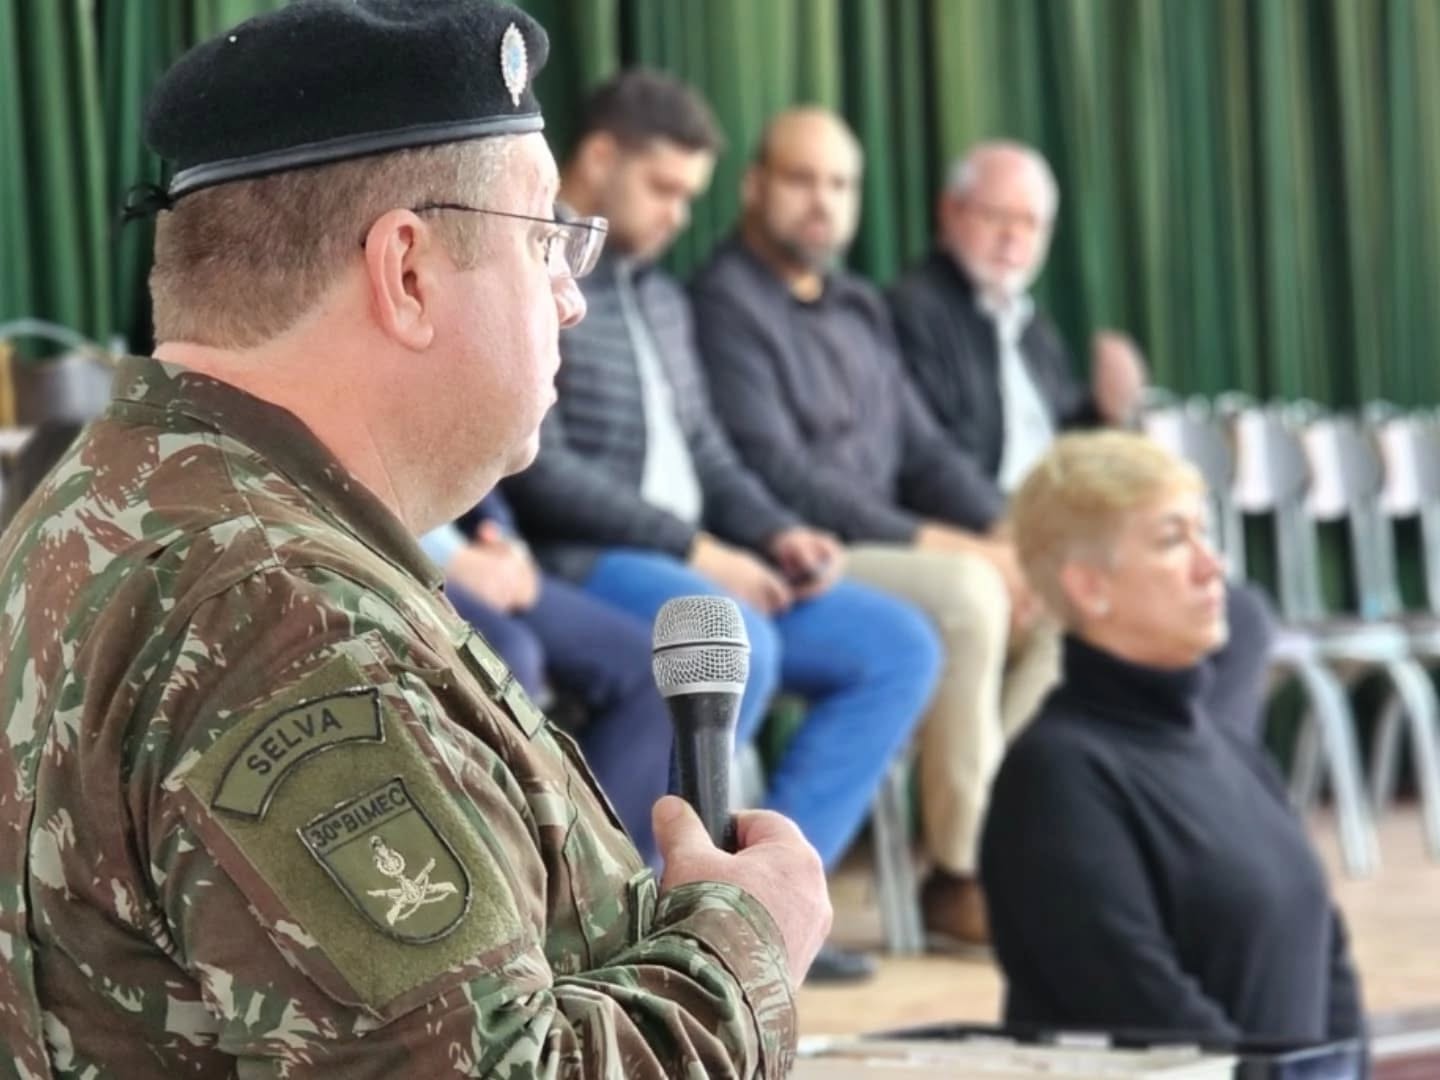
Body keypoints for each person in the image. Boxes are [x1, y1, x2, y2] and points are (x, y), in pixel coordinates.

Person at [0, 4, 827, 1076]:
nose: (571, 300)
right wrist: (745, 950)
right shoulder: (287, 622)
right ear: (407, 273)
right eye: (545, 241)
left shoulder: (111, 495)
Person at [504, 71, 941, 984]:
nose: (677, 215)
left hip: (705, 561)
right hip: (594, 559)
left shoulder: (666, 301)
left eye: (689, 196)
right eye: (663, 188)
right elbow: (541, 469)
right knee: (740, 641)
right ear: (599, 157)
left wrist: (777, 534)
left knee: (897, 645)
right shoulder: (534, 276)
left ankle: (770, 908)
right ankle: (647, 920)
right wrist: (701, 551)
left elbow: (710, 454)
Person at [690, 107, 1058, 950]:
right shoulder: (723, 301)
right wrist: (956, 547)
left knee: (1063, 604)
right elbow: (780, 472)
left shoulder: (858, 305)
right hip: (799, 548)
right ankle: (964, 873)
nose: (823, 201)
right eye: (802, 179)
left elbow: (924, 451)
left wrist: (1010, 533)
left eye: (841, 184)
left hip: (888, 544)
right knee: (969, 592)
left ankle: (1008, 845)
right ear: (754, 186)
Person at [982, 431, 1365, 1047]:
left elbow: (1324, 950)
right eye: (1171, 540)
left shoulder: (1232, 749)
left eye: (1203, 534)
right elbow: (1150, 1016)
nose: (1212, 567)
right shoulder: (1056, 776)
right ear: (1089, 587)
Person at [888, 140, 1276, 741]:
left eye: (1030, 224)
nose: (1013, 238)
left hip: (1066, 535)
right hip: (987, 540)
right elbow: (926, 458)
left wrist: (1108, 409)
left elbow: (1070, 449)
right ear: (950, 212)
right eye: (997, 217)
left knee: (1241, 615)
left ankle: (1198, 779)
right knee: (1076, 619)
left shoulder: (1034, 330)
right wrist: (1018, 535)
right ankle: (1024, 794)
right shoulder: (912, 311)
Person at [419, 490, 674, 864]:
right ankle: (504, 875)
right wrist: (447, 558)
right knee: (506, 659)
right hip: (396, 545)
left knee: (659, 673)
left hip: (474, 546)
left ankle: (611, 876)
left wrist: (501, 537)